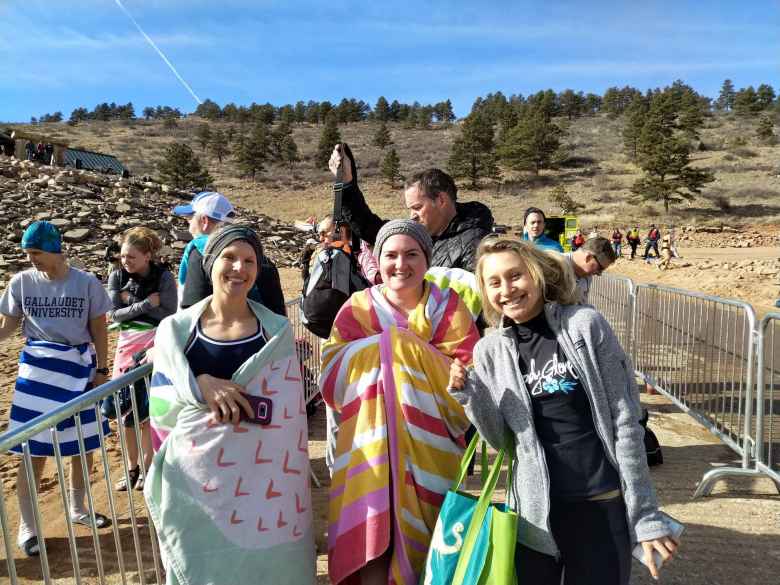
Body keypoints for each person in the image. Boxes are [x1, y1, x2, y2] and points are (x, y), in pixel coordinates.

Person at [447, 238, 680, 585]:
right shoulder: (489, 351)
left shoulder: (585, 325)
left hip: (600, 503)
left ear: (538, 275)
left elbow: (625, 423)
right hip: (536, 513)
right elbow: (505, 440)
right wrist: (469, 394)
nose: (507, 289)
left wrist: (644, 516)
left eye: (516, 276)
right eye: (494, 282)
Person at [145, 225, 315, 585]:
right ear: (211, 264)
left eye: (249, 260)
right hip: (199, 478)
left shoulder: (276, 331)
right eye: (230, 257)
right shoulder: (176, 332)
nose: (239, 268)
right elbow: (161, 408)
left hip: (267, 482)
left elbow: (287, 416)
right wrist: (199, 387)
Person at [319, 219, 479, 585]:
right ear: (378, 260)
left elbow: (468, 373)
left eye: (411, 254)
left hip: (431, 450)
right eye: (390, 255)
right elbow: (331, 374)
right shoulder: (357, 308)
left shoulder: (449, 308)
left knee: (430, 546)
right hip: (367, 450)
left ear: (427, 259)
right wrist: (391, 346)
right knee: (372, 535)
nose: (400, 264)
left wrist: (404, 350)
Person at [0, 221, 113, 557]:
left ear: (55, 249)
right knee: (32, 449)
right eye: (27, 253)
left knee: (82, 444)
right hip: (37, 373)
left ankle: (78, 509)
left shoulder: (86, 283)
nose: (31, 259)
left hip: (79, 368)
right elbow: (7, 326)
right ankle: (29, 527)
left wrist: (103, 370)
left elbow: (98, 328)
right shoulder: (21, 282)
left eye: (35, 252)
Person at [328, 145, 494, 271]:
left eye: (417, 207)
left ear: (441, 200)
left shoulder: (476, 245)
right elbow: (371, 229)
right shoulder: (422, 233)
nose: (412, 216)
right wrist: (347, 183)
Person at [106, 227, 177, 491]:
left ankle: (148, 468)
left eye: (131, 257)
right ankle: (131, 468)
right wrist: (146, 304)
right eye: (123, 256)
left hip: (154, 345)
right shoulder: (116, 276)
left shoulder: (164, 277)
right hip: (125, 347)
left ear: (148, 255)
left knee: (147, 411)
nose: (126, 262)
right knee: (125, 411)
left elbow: (169, 313)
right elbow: (113, 315)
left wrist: (129, 304)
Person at [174, 192, 286, 314]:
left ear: (204, 221)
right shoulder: (260, 259)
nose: (189, 225)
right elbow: (279, 313)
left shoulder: (199, 253)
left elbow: (191, 310)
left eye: (190, 219)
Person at [565, 236, 617, 304]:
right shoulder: (554, 266)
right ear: (588, 257)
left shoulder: (587, 276)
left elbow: (582, 303)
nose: (599, 274)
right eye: (600, 268)